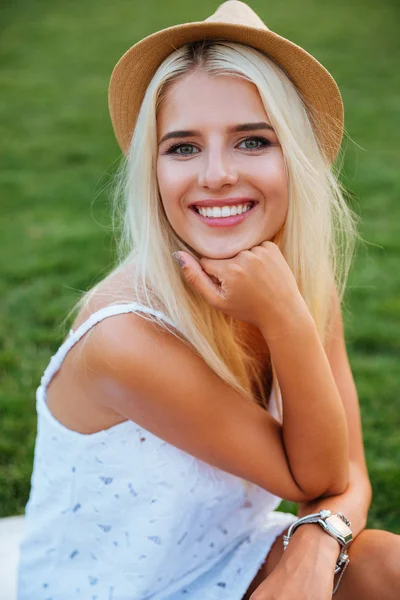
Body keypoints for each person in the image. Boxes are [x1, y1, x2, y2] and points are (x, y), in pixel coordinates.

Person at [17, 1, 400, 599]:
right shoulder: (126, 340)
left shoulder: (295, 283)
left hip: (228, 557)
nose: (217, 174)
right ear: (154, 170)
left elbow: (345, 477)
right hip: (118, 589)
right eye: (184, 147)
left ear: (294, 156)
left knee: (384, 565)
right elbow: (316, 476)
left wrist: (315, 544)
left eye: (252, 140)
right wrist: (286, 321)